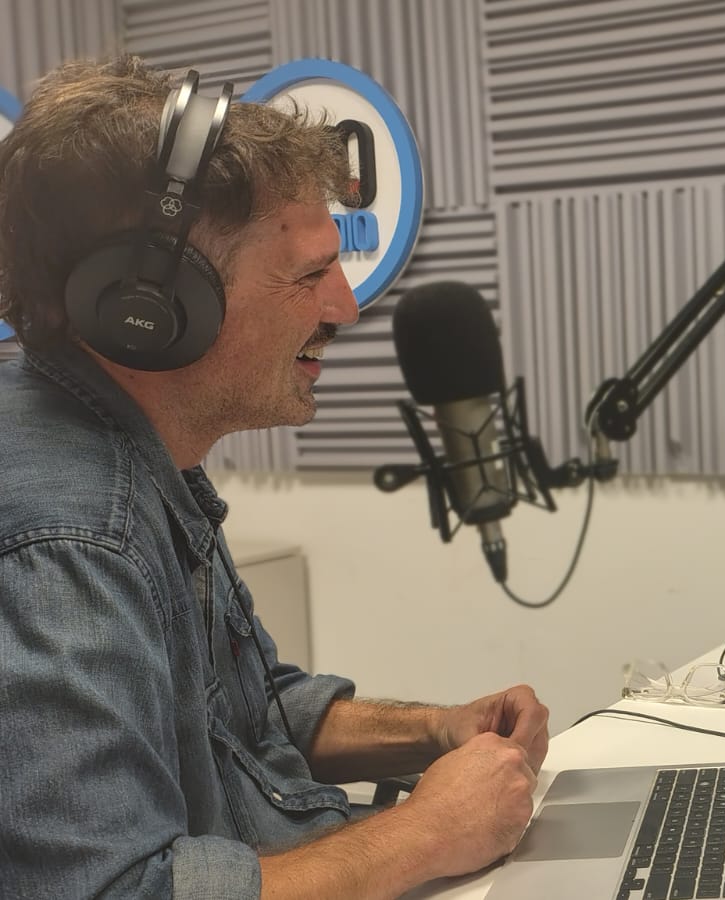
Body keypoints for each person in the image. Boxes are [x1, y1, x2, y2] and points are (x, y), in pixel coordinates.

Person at [0, 58, 548, 898]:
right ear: (152, 308)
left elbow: (249, 715)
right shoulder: (70, 537)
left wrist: (437, 730)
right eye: (307, 275)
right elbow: (113, 890)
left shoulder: (142, 452)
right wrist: (428, 832)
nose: (345, 308)